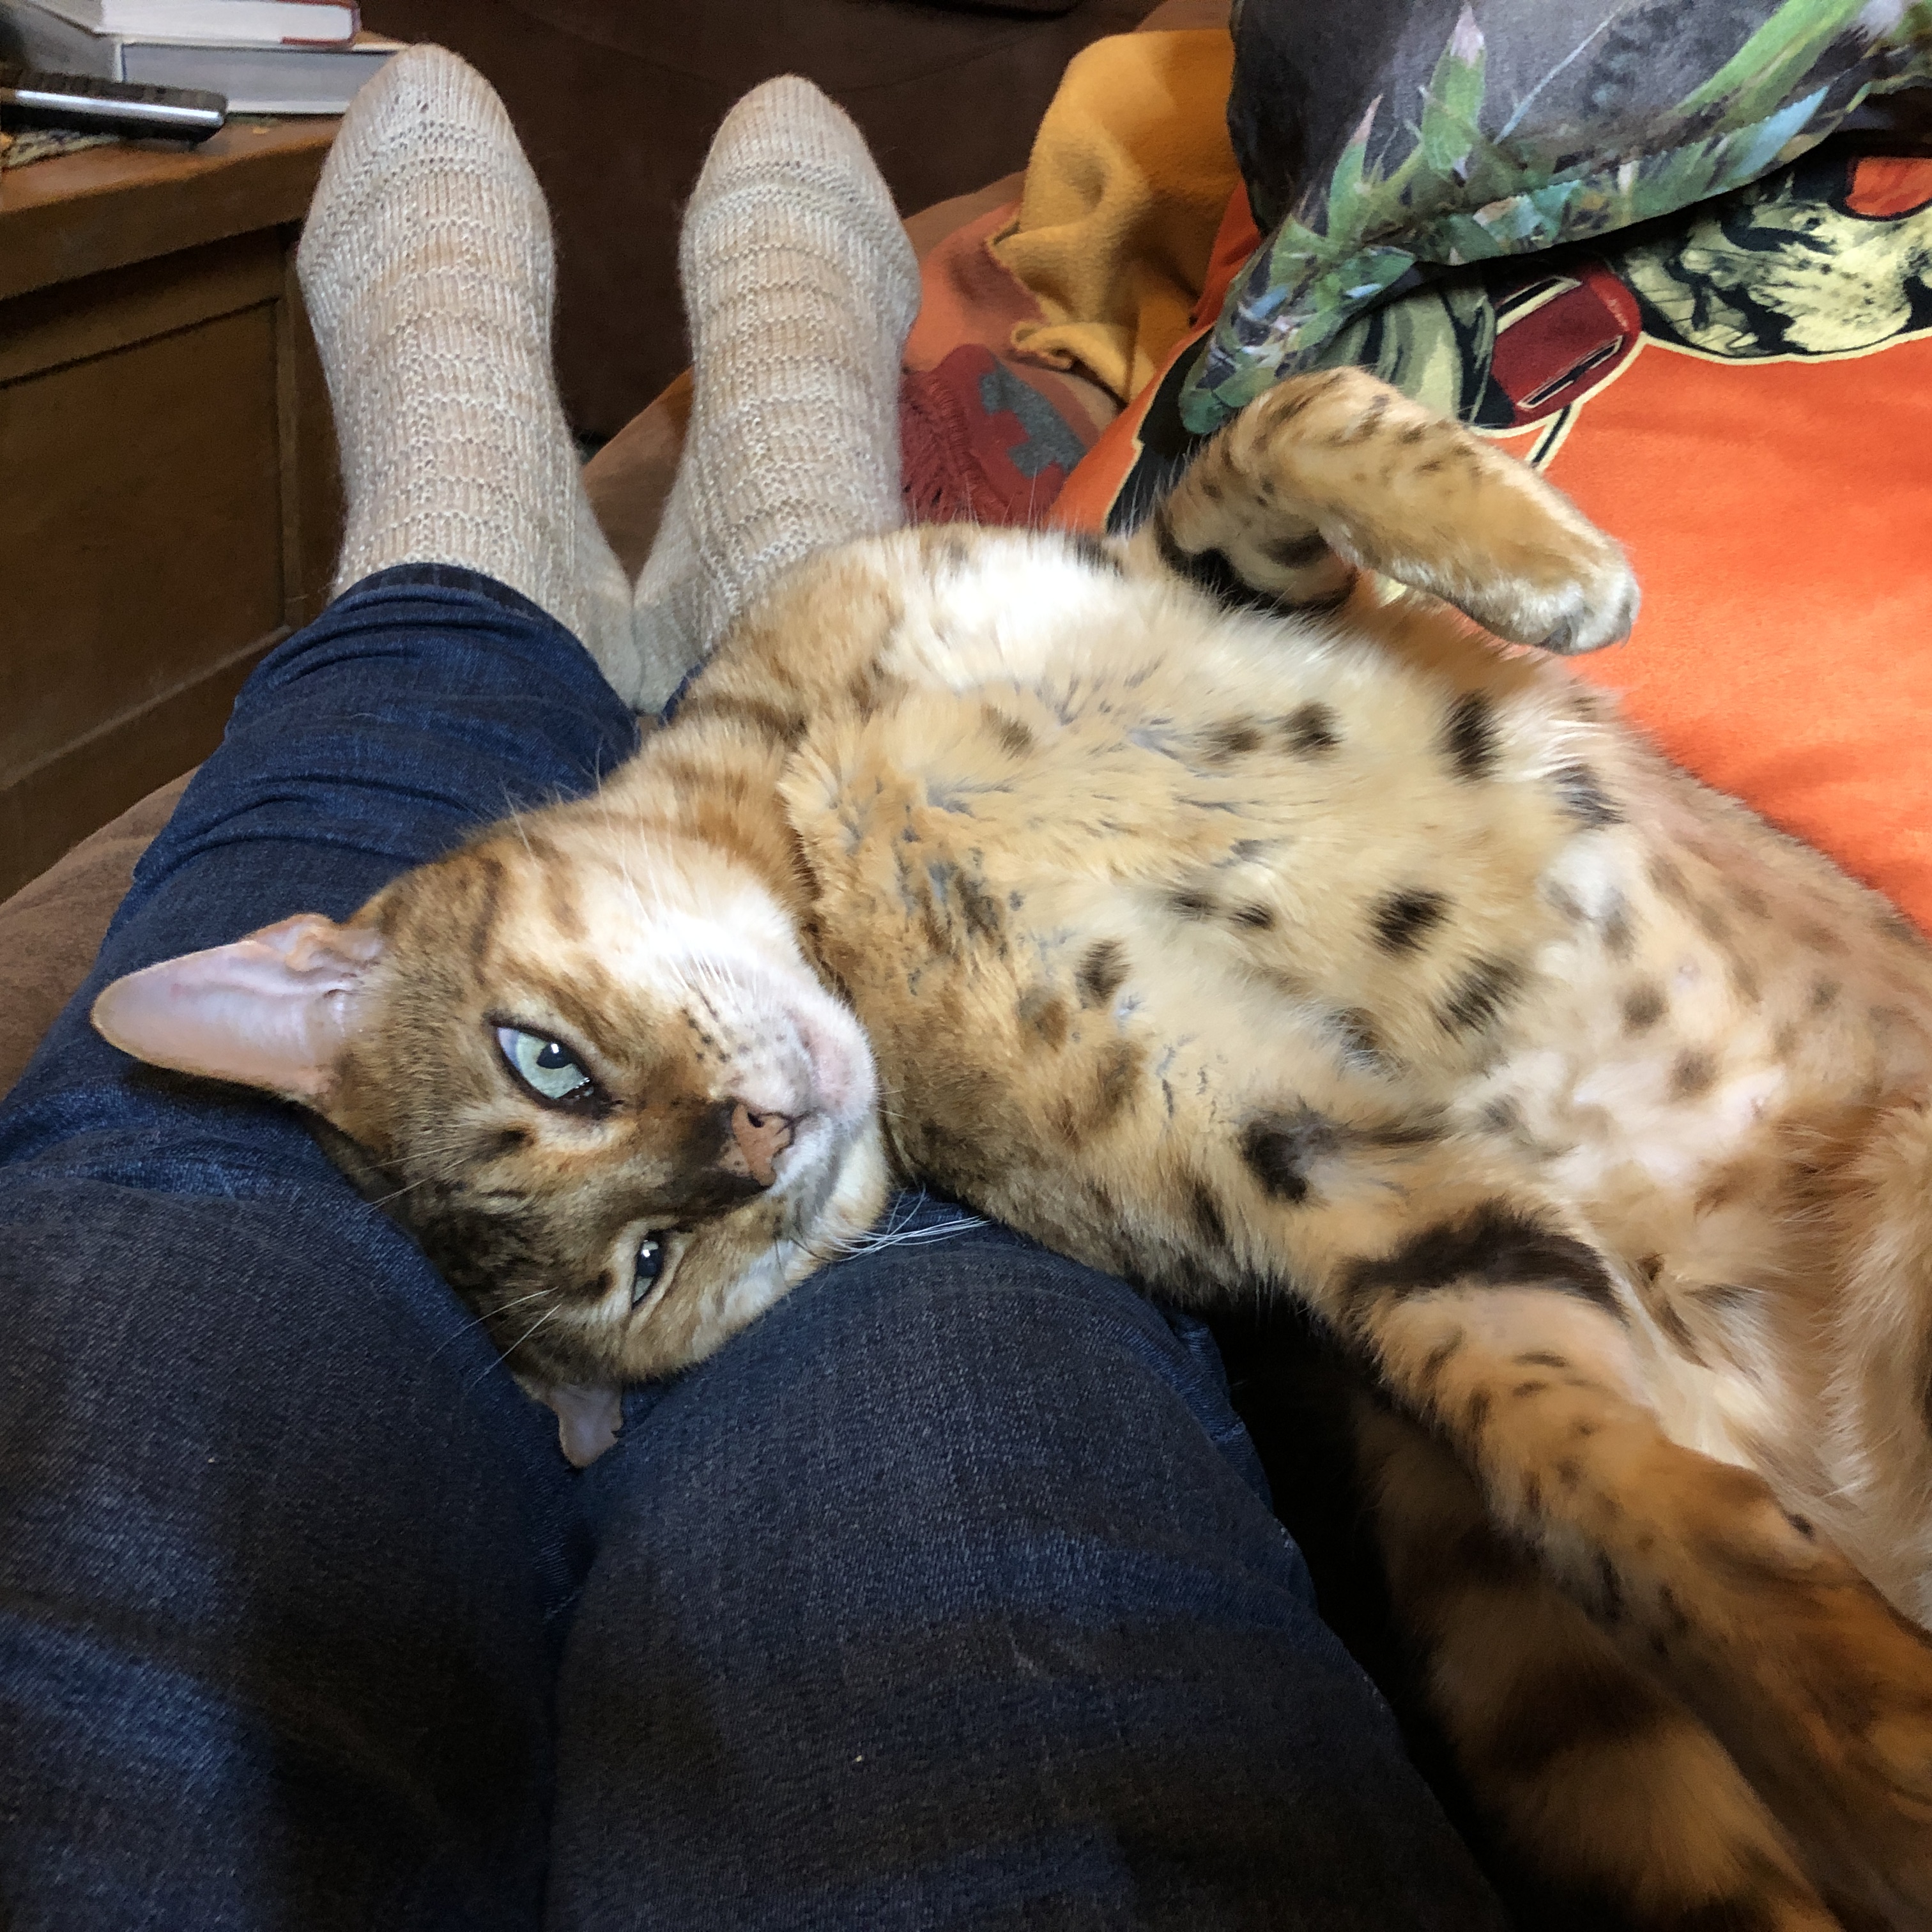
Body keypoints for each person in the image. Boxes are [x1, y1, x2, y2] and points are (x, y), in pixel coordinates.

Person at [0, 49, 1506, 1929]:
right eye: (650, 1252)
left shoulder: (362, 998)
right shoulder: (731, 1182)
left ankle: (458, 571)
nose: (741, 1140)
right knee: (957, 1306)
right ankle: (786, 559)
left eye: (561, 1075)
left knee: (182, 1229)